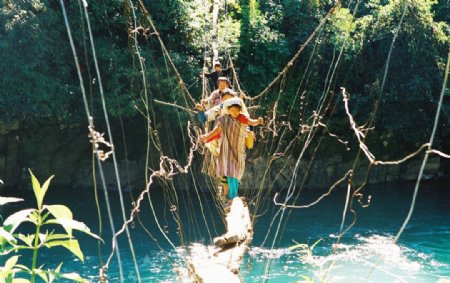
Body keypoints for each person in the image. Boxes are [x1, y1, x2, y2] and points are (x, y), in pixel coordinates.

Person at [201, 97, 263, 201]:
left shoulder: (243, 118)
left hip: (238, 149)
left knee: (235, 171)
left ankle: (232, 195)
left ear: (240, 110)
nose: (234, 112)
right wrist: (207, 136)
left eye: (236, 110)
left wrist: (258, 121)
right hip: (226, 149)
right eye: (232, 110)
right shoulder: (223, 119)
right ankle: (232, 195)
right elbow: (217, 130)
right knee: (230, 171)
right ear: (228, 110)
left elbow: (252, 122)